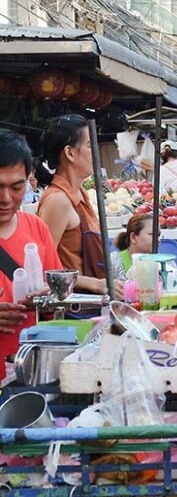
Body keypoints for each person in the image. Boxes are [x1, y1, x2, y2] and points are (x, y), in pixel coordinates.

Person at [0, 129, 62, 381]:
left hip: (29, 373)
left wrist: (49, 297)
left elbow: (56, 300)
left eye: (16, 187)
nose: (5, 199)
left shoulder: (36, 228)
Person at [37, 115, 122, 298]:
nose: (96, 152)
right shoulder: (58, 200)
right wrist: (95, 284)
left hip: (92, 303)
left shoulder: (80, 193)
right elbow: (43, 267)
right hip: (72, 306)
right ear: (70, 153)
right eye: (90, 146)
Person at [109, 213, 154, 282]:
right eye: (151, 234)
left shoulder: (165, 263)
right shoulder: (114, 261)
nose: (158, 239)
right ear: (133, 237)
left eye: (158, 235)